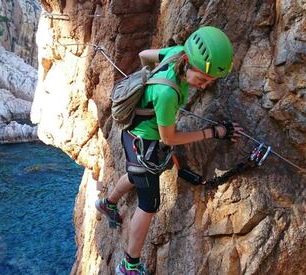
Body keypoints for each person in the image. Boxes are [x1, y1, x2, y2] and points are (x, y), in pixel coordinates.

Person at [95, 26, 243, 275]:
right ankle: (129, 265)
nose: (205, 86)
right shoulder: (167, 93)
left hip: (132, 136)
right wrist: (214, 132)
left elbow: (144, 54)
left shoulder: (177, 52)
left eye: (210, 82)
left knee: (135, 175)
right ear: (188, 62)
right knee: (149, 205)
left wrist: (146, 80)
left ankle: (108, 203)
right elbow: (170, 137)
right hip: (145, 145)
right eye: (203, 79)